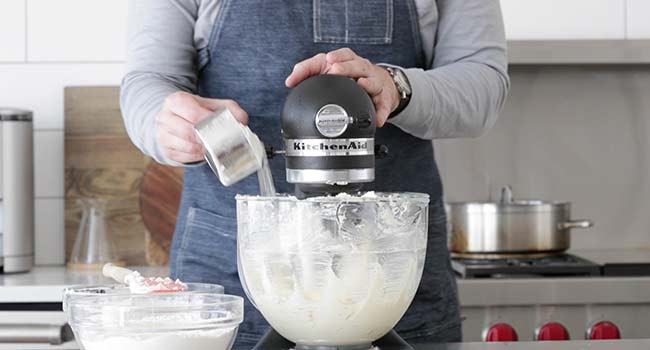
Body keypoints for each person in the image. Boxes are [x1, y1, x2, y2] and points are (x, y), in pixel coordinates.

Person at [121, 0, 509, 346]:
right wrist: (165, 122)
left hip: (394, 276)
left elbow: (484, 83)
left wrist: (398, 86)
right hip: (230, 282)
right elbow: (148, 83)